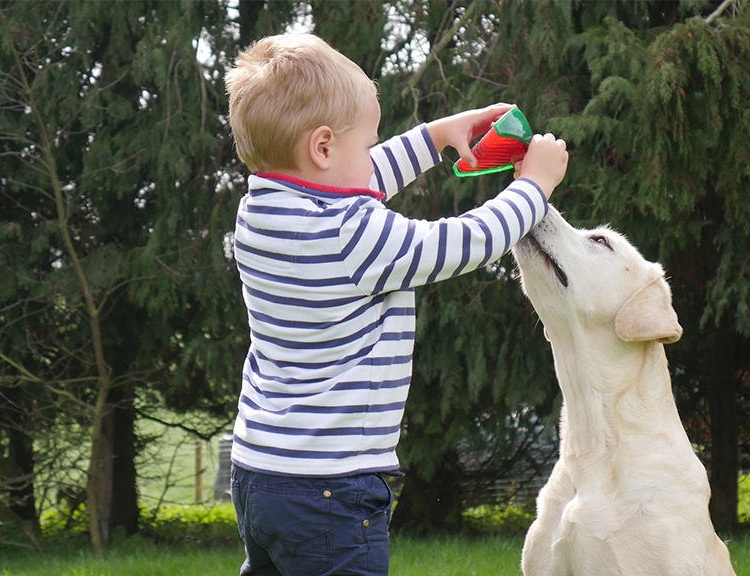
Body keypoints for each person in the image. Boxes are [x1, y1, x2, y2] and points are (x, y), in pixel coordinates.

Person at [223, 33, 568, 576]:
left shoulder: (262, 213)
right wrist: (534, 186)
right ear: (322, 148)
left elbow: (352, 178)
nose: (372, 156)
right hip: (330, 489)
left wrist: (435, 138)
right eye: (367, 143)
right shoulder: (353, 235)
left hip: (260, 476)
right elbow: (460, 242)